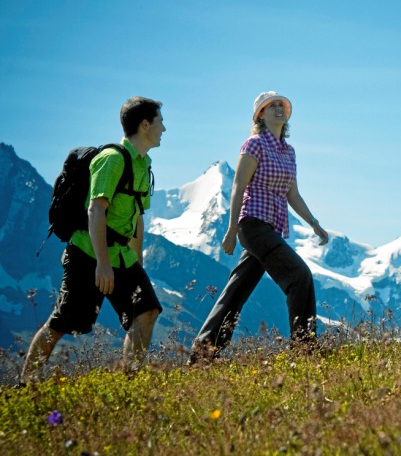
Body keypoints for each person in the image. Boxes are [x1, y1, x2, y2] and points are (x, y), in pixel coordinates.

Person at [20, 97, 165, 383]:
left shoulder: (143, 164)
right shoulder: (111, 160)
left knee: (147, 311)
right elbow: (96, 210)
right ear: (145, 124)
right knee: (63, 322)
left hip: (121, 256)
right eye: (160, 122)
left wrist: (138, 265)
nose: (164, 128)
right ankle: (26, 384)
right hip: (88, 254)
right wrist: (102, 264)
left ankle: (131, 382)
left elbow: (135, 218)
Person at [190, 91, 329, 362]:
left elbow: (293, 194)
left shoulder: (289, 152)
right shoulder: (254, 144)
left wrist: (314, 223)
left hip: (271, 229)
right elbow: (238, 186)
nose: (278, 109)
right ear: (260, 115)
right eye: (271, 106)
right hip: (253, 226)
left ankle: (202, 354)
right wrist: (232, 230)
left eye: (282, 106)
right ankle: (305, 350)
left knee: (236, 291)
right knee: (299, 276)